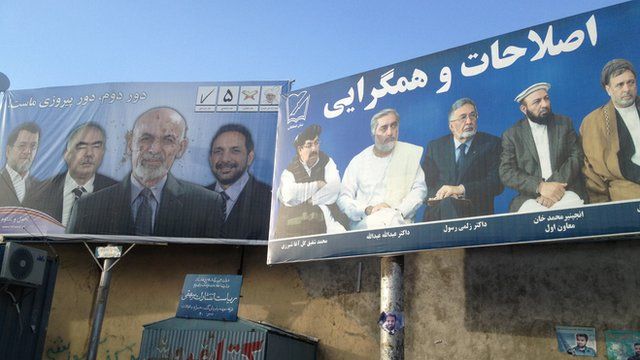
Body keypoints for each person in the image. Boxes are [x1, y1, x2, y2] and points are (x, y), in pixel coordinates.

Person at [67, 107, 224, 238]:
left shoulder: (206, 205)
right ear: (130, 143)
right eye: (146, 138)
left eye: (168, 140)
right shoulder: (87, 208)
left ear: (181, 148)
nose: (154, 149)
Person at [499, 83, 586, 212]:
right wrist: (540, 187)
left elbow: (576, 157)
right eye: (537, 102)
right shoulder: (512, 135)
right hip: (531, 197)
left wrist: (552, 188)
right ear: (524, 109)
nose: (545, 104)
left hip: (566, 190)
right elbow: (506, 172)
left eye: (546, 98)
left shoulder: (564, 123)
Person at [338, 109, 426, 230]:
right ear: (373, 133)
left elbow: (419, 190)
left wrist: (398, 212)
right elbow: (343, 198)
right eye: (384, 128)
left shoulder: (408, 155)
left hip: (400, 223)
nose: (390, 132)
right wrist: (368, 209)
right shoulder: (358, 161)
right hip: (366, 225)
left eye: (394, 126)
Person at [423, 98, 503, 221]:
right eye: (463, 117)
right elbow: (424, 184)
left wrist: (461, 190)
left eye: (473, 116)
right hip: (438, 214)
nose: (469, 121)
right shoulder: (435, 147)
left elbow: (496, 183)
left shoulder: (491, 144)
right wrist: (444, 196)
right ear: (451, 126)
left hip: (475, 214)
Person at [29, 123, 116, 226]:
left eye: (96, 146)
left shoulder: (117, 192)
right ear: (67, 154)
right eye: (81, 146)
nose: (89, 153)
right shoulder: (41, 191)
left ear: (103, 152)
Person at [581, 59, 640, 203]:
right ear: (608, 89)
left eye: (630, 82)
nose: (626, 89)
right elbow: (592, 176)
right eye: (620, 84)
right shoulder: (593, 122)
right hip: (625, 191)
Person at [275, 124, 346, 238]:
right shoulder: (289, 171)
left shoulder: (327, 162)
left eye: (316, 143)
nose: (314, 149)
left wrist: (310, 199)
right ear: (300, 149)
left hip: (329, 223)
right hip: (296, 229)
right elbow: (289, 195)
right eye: (309, 145)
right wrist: (317, 184)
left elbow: (334, 190)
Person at [206, 124, 271, 240]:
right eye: (218, 151)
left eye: (235, 151)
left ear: (249, 158)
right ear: (210, 158)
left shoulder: (270, 200)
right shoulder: (194, 199)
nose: (225, 159)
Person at [0, 122, 41, 207]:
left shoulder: (40, 187)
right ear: (8, 151)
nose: (28, 151)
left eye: (33, 146)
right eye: (22, 145)